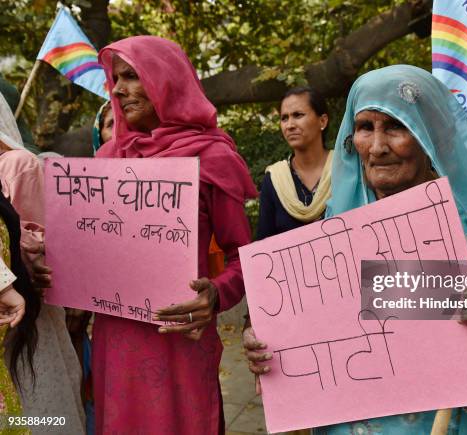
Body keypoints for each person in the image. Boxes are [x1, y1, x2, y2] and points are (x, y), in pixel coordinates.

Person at [243, 65, 467, 434]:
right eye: (364, 128)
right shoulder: (332, 230)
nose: (377, 147)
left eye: (395, 126)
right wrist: (269, 341)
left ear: (429, 135)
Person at [92, 35, 256, 434]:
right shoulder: (104, 162)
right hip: (115, 343)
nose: (118, 89)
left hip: (180, 338)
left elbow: (246, 258)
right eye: (116, 79)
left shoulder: (212, 157)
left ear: (165, 78)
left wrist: (216, 294)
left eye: (131, 76)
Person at [0, 93, 85, 434]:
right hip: (19, 322)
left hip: (27, 329)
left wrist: (28, 260)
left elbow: (44, 245)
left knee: (33, 416)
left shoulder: (18, 164)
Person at [256, 87, 332, 240]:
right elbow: (264, 247)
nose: (289, 125)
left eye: (298, 115)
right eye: (284, 118)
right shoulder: (275, 180)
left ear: (322, 121)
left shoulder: (345, 169)